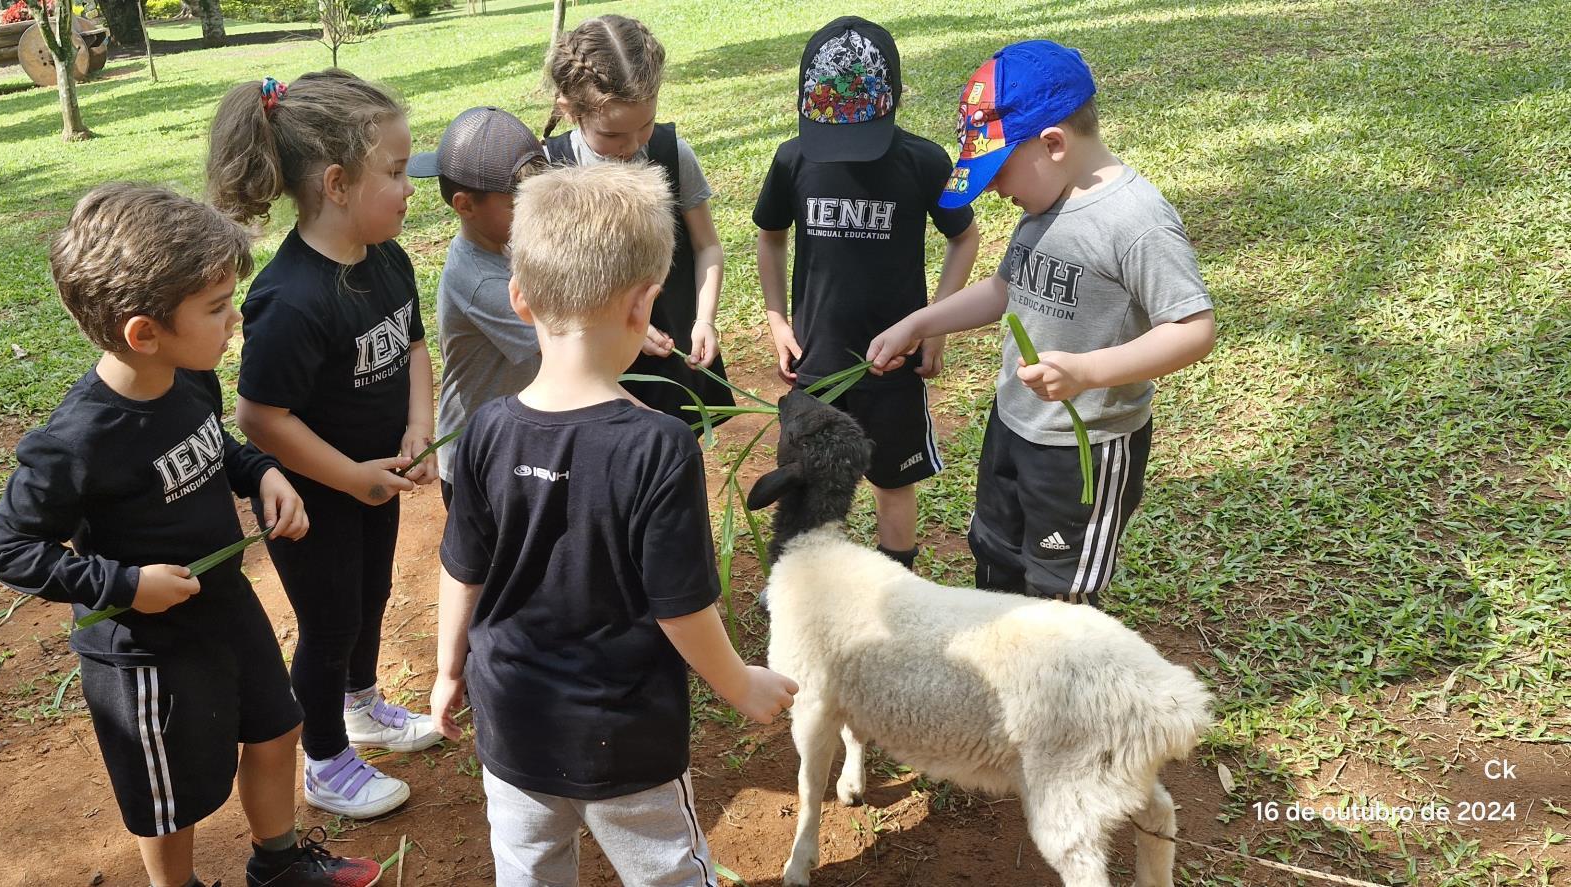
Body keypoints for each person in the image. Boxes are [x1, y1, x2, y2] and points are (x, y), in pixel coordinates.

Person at [0, 184, 380, 887]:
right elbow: (8, 548)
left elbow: (214, 445)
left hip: (224, 605)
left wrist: (261, 473)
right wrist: (127, 585)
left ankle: (280, 862)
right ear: (144, 331)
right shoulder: (76, 439)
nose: (234, 320)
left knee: (275, 726)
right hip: (145, 648)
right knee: (168, 798)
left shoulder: (187, 377)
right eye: (217, 307)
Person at [432, 161, 799, 887]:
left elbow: (462, 566)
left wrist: (449, 670)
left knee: (529, 873)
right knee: (670, 874)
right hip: (623, 738)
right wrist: (739, 684)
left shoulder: (484, 430)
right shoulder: (659, 445)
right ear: (646, 305)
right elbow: (681, 603)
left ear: (520, 299)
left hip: (511, 723)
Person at [867, 40, 1217, 608]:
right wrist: (920, 322)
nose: (996, 190)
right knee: (995, 553)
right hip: (1014, 425)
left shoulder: (1136, 222)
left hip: (1083, 447)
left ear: (1052, 143)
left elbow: (1192, 328)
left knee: (1059, 591)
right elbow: (1004, 290)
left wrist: (1086, 370)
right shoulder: (1042, 206)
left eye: (999, 171)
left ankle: (1056, 693)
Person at [206, 71, 441, 821]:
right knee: (330, 618)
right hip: (311, 496)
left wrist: (419, 425)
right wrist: (347, 477)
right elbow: (259, 417)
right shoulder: (288, 299)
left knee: (369, 597)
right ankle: (326, 757)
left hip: (374, 478)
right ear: (337, 183)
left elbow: (413, 346)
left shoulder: (385, 257)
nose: (411, 189)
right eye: (397, 172)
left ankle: (363, 701)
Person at [755, 16, 981, 570]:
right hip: (817, 362)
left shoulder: (923, 162)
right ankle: (801, 585)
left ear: (895, 101)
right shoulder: (793, 160)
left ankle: (895, 585)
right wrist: (778, 320)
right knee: (807, 479)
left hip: (893, 363)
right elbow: (771, 237)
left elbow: (965, 237)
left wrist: (935, 324)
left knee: (893, 480)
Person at [540, 14, 735, 424]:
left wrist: (705, 320)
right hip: (596, 365)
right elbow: (548, 285)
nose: (630, 146)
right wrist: (618, 321)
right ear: (570, 109)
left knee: (677, 454)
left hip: (674, 357)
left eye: (644, 126)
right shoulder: (553, 169)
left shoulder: (672, 154)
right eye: (611, 136)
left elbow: (708, 245)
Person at [405, 106, 546, 510]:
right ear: (465, 205)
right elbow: (563, 340)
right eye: (518, 205)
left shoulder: (504, 240)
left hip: (517, 444)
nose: (533, 214)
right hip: (482, 460)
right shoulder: (482, 280)